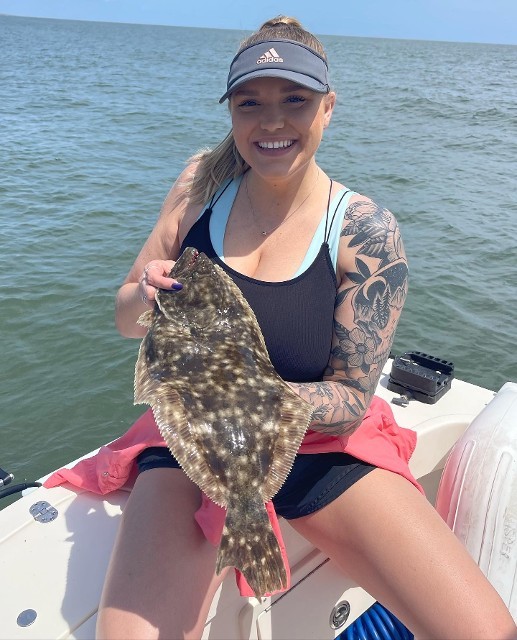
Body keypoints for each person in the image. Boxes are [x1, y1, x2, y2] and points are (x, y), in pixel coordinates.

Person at [94, 16, 516, 640]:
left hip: (317, 446)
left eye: (295, 100)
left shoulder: (365, 231)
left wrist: (253, 404)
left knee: (483, 630)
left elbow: (348, 401)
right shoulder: (196, 192)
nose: (271, 122)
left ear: (327, 108)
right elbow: (127, 317)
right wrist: (147, 295)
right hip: (197, 441)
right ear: (231, 111)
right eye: (250, 103)